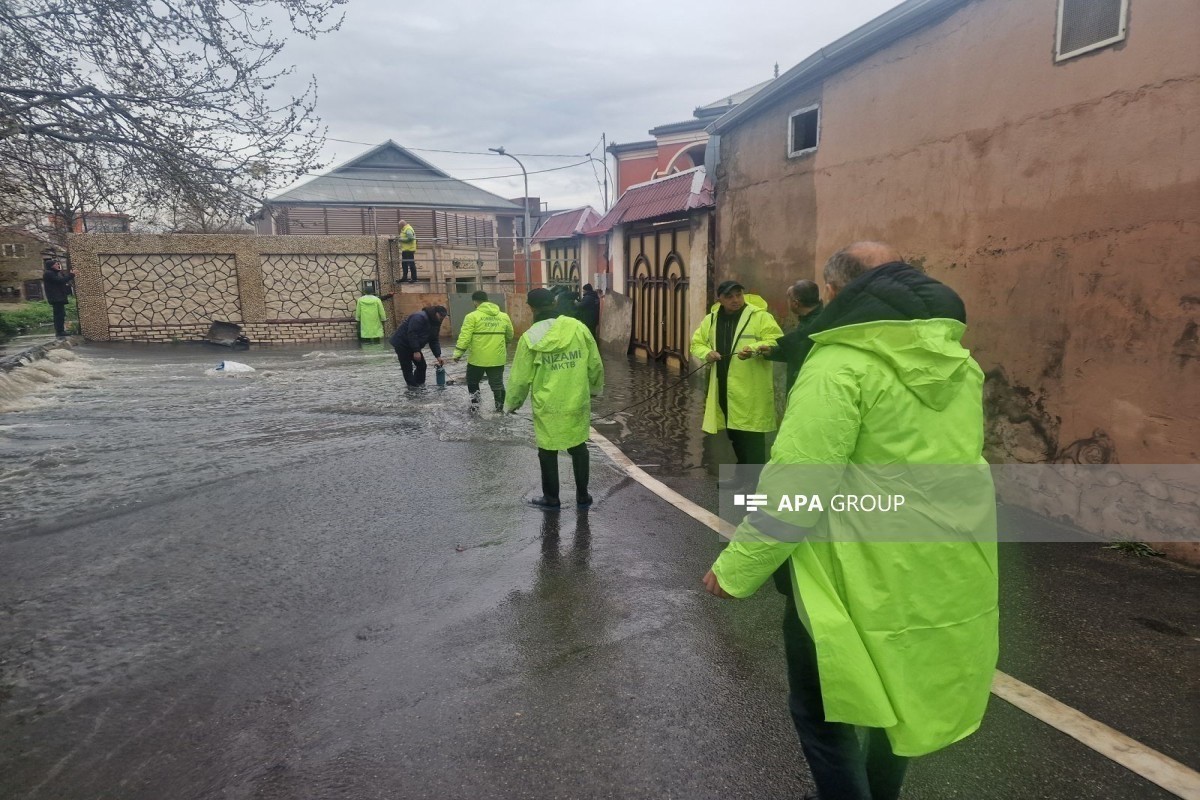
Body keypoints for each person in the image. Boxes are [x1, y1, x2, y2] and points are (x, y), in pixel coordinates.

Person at [702, 242, 998, 800]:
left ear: (834, 292)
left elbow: (799, 485)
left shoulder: (838, 366)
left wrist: (738, 569)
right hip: (938, 561)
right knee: (899, 699)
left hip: (848, 571)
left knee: (821, 714)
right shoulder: (960, 363)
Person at [504, 288, 604, 510]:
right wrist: (595, 389)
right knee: (579, 447)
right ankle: (583, 496)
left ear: (531, 308)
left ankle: (551, 498)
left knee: (547, 451)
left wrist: (512, 404)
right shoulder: (577, 327)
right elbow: (595, 363)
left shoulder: (530, 338)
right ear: (554, 303)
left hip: (547, 405)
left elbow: (520, 378)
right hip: (577, 399)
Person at [689, 279, 783, 486]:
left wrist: (756, 348)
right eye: (729, 296)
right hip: (724, 386)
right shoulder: (711, 320)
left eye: (738, 295)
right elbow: (696, 343)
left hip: (751, 388)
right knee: (735, 435)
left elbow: (776, 339)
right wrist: (708, 353)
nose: (735, 300)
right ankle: (741, 478)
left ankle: (757, 484)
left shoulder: (760, 317)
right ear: (720, 299)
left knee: (753, 439)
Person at [452, 290, 514, 412]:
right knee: (497, 385)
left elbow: (465, 337)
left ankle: (475, 408)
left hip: (477, 360)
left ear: (475, 302)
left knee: (473, 382)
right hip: (497, 358)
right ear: (487, 300)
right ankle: (500, 409)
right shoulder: (503, 316)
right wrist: (504, 345)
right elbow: (510, 335)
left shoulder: (472, 317)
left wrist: (458, 354)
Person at [759, 279, 823, 392]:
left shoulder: (812, 327)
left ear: (795, 303)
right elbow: (798, 351)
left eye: (788, 298)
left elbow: (801, 354)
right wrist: (772, 351)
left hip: (807, 388)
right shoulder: (817, 319)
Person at [390, 305, 446, 386]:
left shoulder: (436, 322)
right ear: (436, 313)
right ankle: (412, 389)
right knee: (407, 368)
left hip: (414, 344)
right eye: (441, 316)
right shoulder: (419, 317)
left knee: (422, 366)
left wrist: (438, 356)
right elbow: (412, 334)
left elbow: (434, 340)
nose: (442, 318)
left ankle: (420, 385)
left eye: (444, 317)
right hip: (402, 343)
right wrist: (416, 351)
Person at [42, 257, 75, 338]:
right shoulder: (49, 273)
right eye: (56, 264)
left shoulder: (55, 273)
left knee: (61, 314)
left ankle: (61, 330)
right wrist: (71, 275)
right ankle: (59, 332)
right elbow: (60, 281)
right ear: (52, 266)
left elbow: (62, 280)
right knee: (58, 315)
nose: (57, 265)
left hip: (59, 297)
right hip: (55, 298)